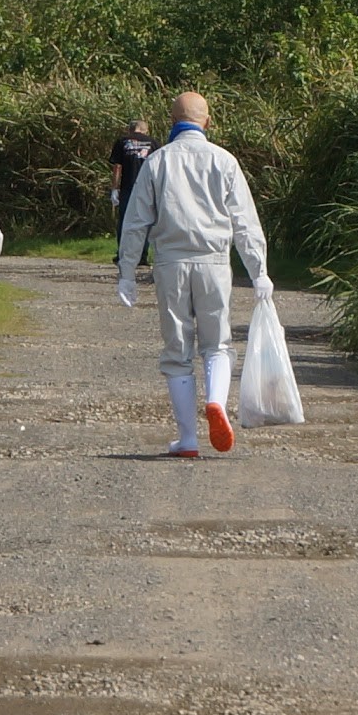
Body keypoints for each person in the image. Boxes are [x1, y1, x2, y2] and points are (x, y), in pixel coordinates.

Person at [114, 91, 270, 459]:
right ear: (208, 122)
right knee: (217, 344)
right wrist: (259, 271)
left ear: (171, 123)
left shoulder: (157, 162)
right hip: (214, 262)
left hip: (170, 263)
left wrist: (126, 273)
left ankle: (188, 439)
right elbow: (246, 224)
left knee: (177, 351)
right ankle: (216, 402)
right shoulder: (225, 161)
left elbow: (136, 222)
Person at [109, 118, 154, 267]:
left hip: (127, 187)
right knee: (146, 221)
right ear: (145, 130)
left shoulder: (122, 142)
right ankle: (142, 256)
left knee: (125, 222)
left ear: (130, 129)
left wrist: (115, 188)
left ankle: (123, 255)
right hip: (147, 188)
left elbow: (117, 167)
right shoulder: (153, 143)